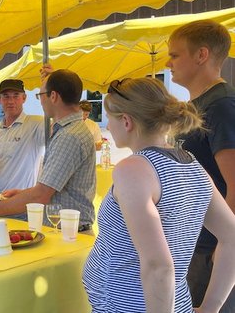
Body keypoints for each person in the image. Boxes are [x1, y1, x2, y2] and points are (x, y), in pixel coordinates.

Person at [83, 77, 235, 313]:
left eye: (109, 119)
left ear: (126, 121)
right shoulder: (193, 165)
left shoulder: (133, 169)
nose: (108, 127)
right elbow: (232, 235)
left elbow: (159, 266)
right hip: (175, 304)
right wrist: (210, 308)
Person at [0, 69, 96, 232]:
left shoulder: (66, 134)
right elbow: (51, 187)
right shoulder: (67, 131)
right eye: (6, 96)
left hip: (67, 230)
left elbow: (41, 194)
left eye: (41, 95)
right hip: (60, 225)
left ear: (54, 96)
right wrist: (23, 193)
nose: (41, 102)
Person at [166, 19, 235, 312]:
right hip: (192, 241)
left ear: (201, 55)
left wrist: (225, 247)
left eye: (174, 54)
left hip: (210, 248)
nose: (168, 62)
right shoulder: (198, 105)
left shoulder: (221, 106)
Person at [0, 79, 44, 203]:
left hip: (16, 201)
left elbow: (58, 130)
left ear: (24, 98)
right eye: (6, 96)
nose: (11, 101)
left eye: (16, 96)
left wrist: (48, 87)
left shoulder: (37, 124)